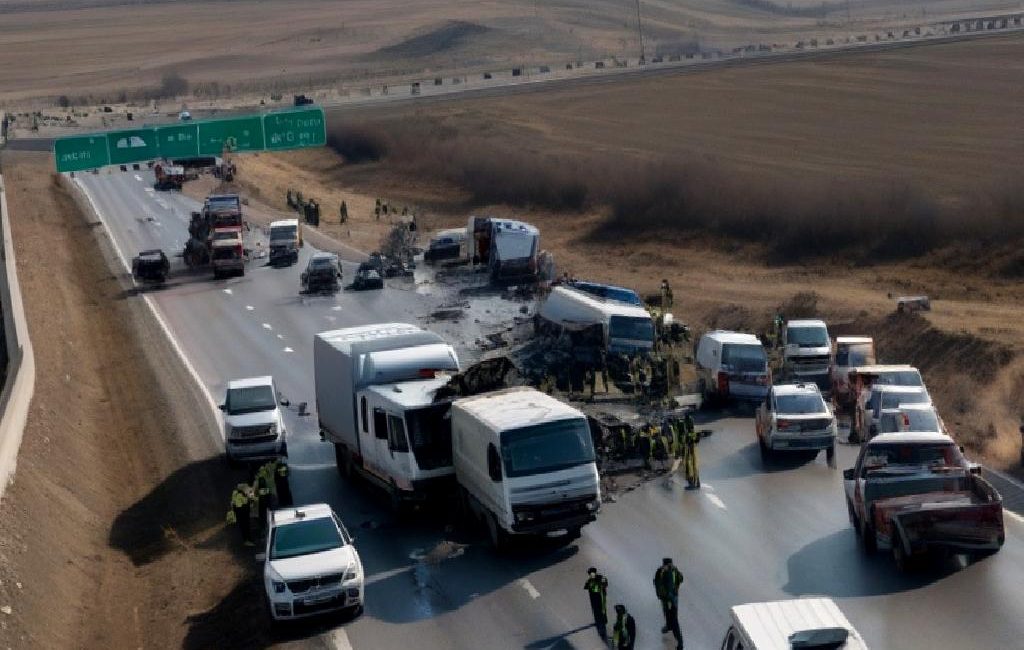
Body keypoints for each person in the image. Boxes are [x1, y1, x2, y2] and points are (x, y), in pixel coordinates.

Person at [654, 558, 684, 649]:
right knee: (670, 615)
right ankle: (669, 626)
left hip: (669, 598)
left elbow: (658, 583)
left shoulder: (665, 571)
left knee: (673, 619)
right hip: (671, 598)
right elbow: (680, 579)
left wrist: (665, 595)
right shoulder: (669, 570)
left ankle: (679, 642)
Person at [583, 567, 609, 639]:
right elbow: (586, 587)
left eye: (590, 573)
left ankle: (602, 627)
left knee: (600, 612)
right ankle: (601, 624)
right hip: (596, 599)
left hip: (599, 599)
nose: (590, 574)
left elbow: (605, 584)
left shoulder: (598, 578)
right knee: (599, 612)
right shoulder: (592, 580)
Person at [683, 413, 700, 488]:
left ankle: (693, 482)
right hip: (692, 449)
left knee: (690, 466)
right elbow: (697, 439)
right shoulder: (692, 433)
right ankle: (696, 482)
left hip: (690, 450)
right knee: (693, 465)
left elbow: (691, 440)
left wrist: (689, 441)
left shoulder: (689, 434)